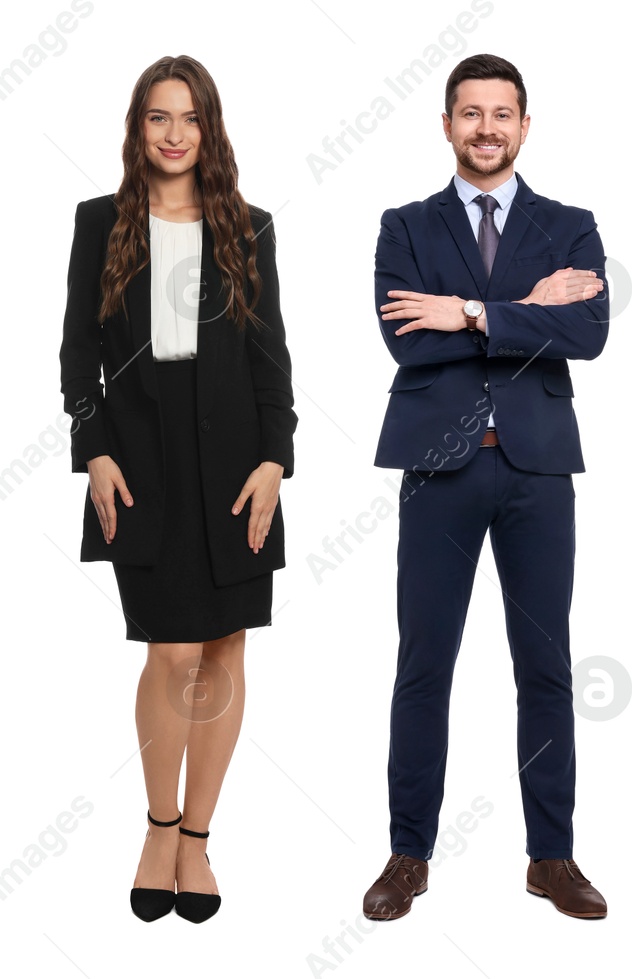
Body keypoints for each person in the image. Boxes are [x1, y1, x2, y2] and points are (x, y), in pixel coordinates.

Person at [361, 53, 609, 921]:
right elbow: (406, 340)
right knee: (424, 664)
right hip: (440, 468)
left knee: (545, 666)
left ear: (525, 126)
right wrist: (524, 310)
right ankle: (407, 852)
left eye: (502, 113)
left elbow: (588, 331)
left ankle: (552, 855)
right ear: (446, 125)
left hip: (537, 469)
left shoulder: (569, 225)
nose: (487, 128)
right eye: (471, 113)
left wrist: (467, 310)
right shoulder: (405, 226)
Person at [58, 54, 296, 924]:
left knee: (225, 652)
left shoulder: (250, 227)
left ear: (210, 129)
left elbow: (273, 354)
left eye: (189, 118)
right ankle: (158, 826)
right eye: (158, 117)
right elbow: (77, 352)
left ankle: (198, 839)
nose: (173, 134)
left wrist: (277, 458)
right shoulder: (101, 221)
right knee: (170, 650)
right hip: (141, 465)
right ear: (138, 127)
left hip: (238, 468)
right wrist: (95, 450)